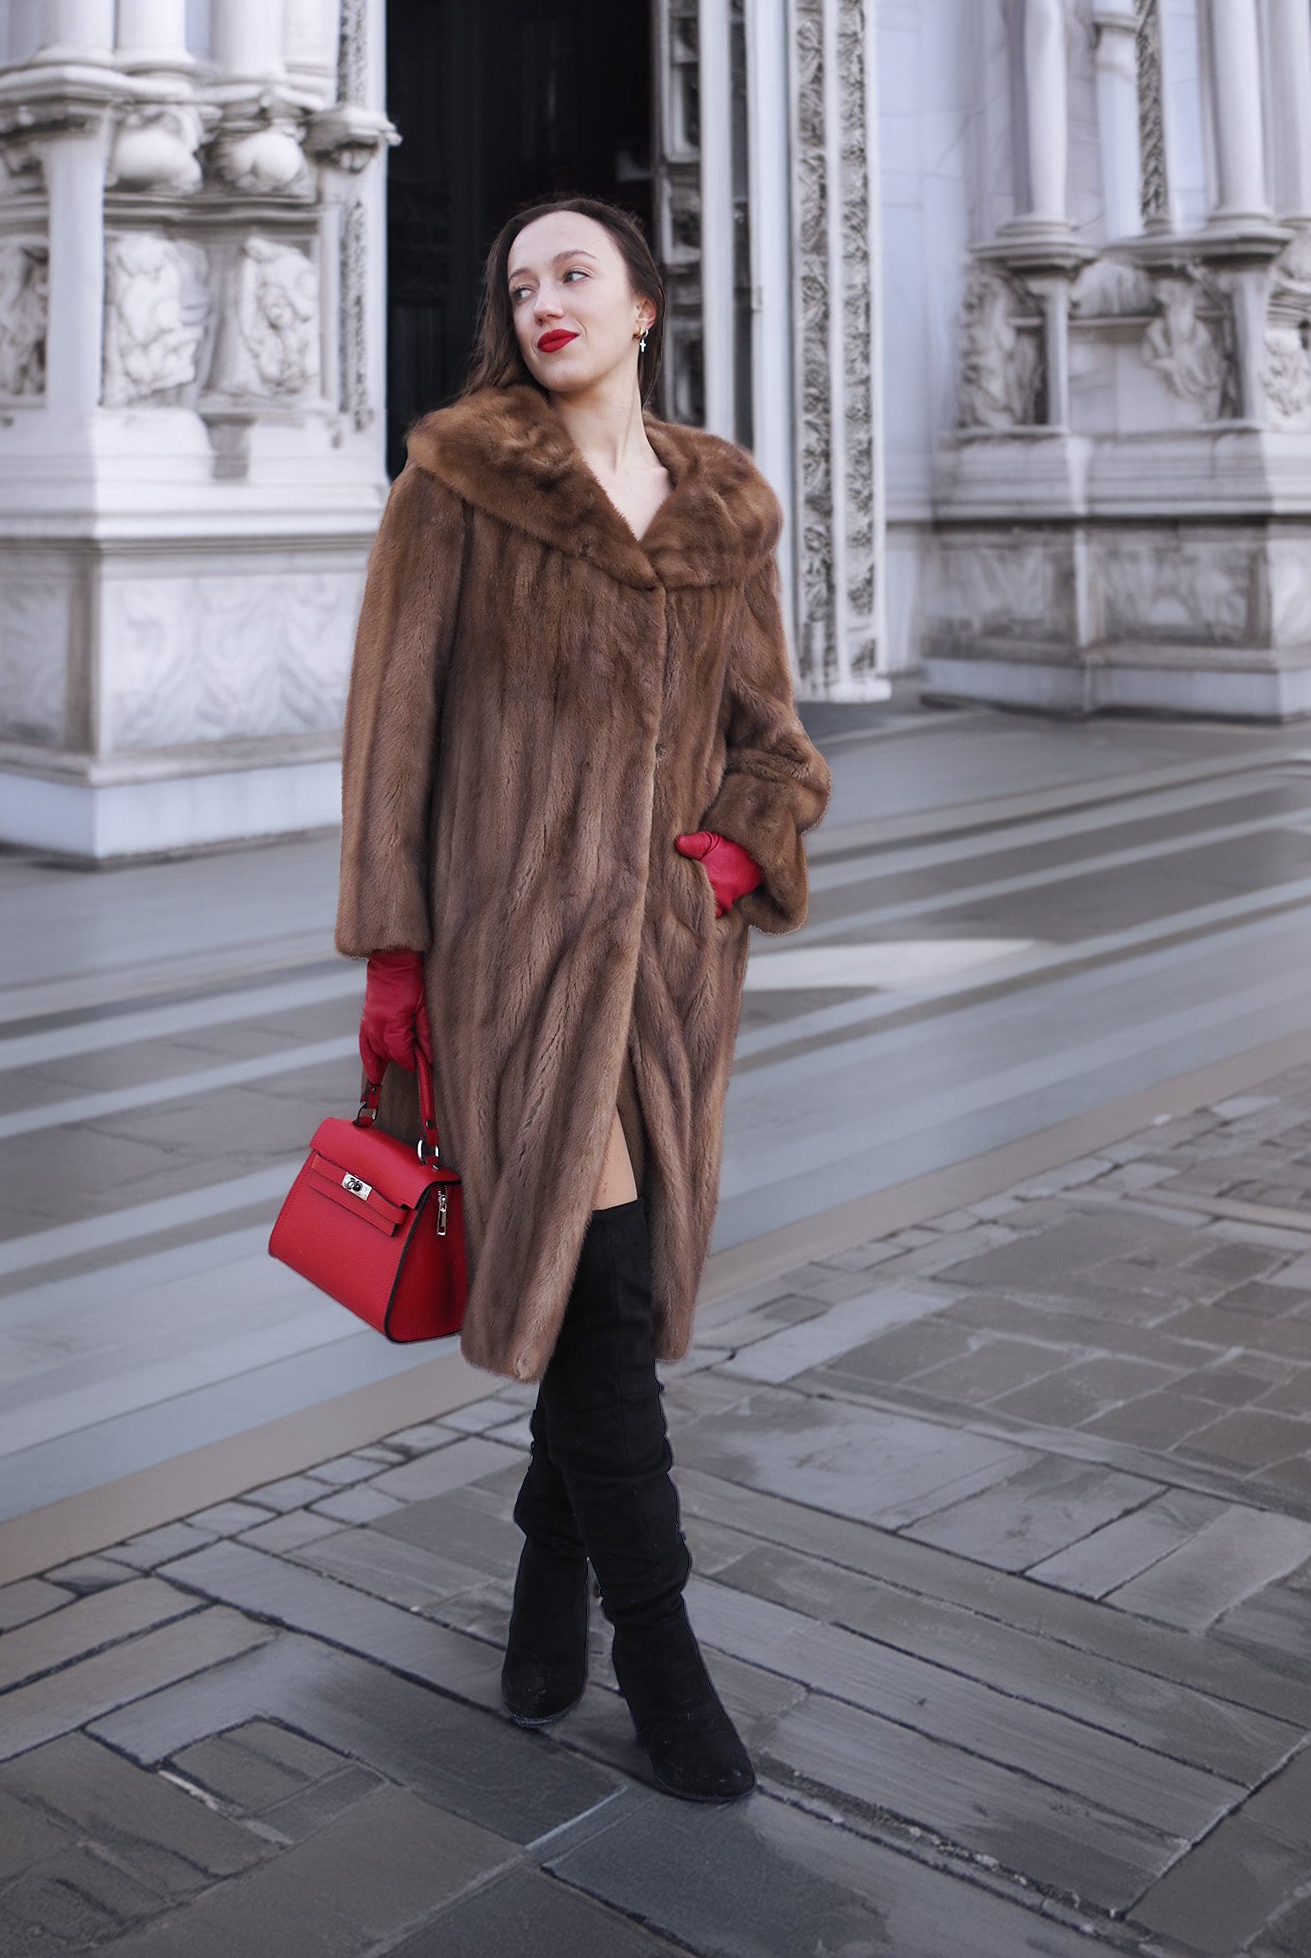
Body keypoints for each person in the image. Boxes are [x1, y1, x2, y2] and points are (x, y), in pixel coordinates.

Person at [335, 194, 831, 1802]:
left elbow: (776, 743)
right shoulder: (457, 482)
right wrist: (398, 962)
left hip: (671, 975)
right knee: (606, 1287)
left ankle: (549, 1572)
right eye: (521, 281)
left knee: (596, 1286)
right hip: (511, 956)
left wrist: (728, 870)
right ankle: (665, 1660)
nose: (543, 299)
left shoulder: (724, 508)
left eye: (576, 275)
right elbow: (390, 737)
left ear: (644, 309)